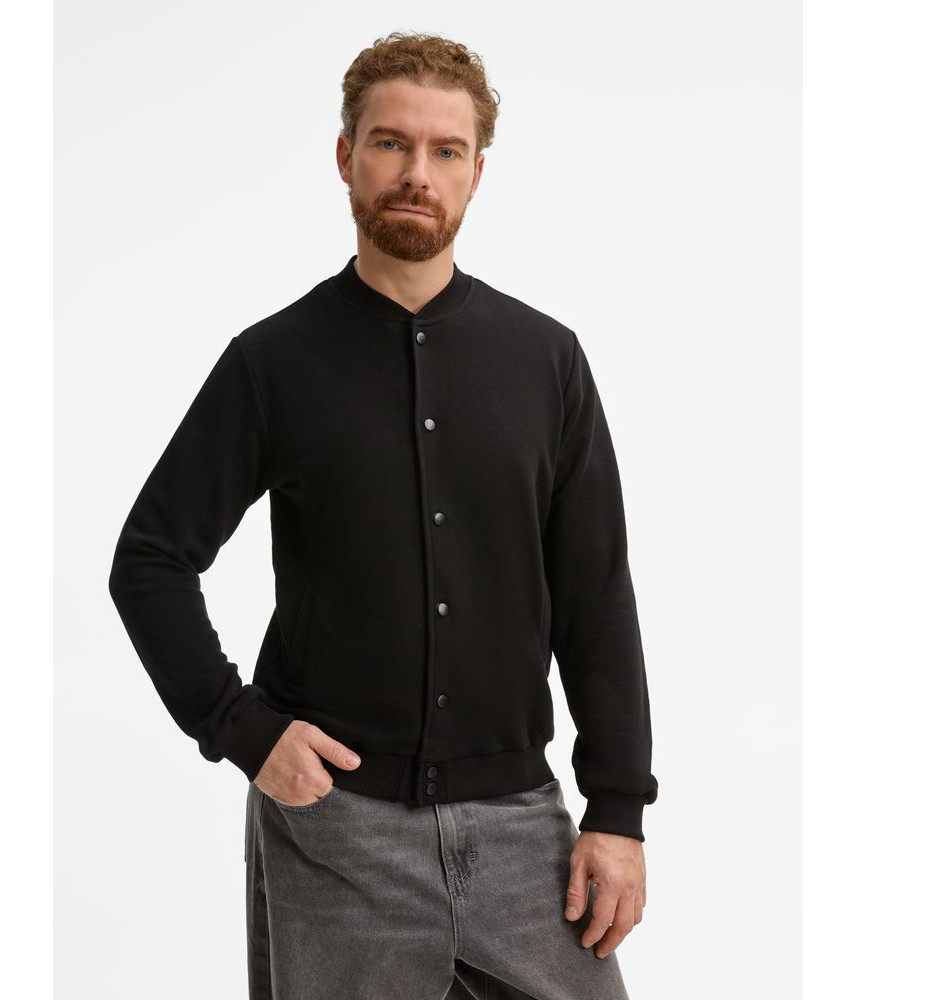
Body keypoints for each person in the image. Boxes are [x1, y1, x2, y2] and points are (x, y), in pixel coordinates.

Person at [109, 30, 658, 1000]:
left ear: (477, 172)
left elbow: (595, 594)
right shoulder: (273, 362)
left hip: (522, 832)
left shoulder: (547, 361)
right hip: (337, 830)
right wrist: (242, 727)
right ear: (345, 156)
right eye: (390, 143)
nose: (417, 173)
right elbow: (151, 557)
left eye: (446, 150)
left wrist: (617, 810)